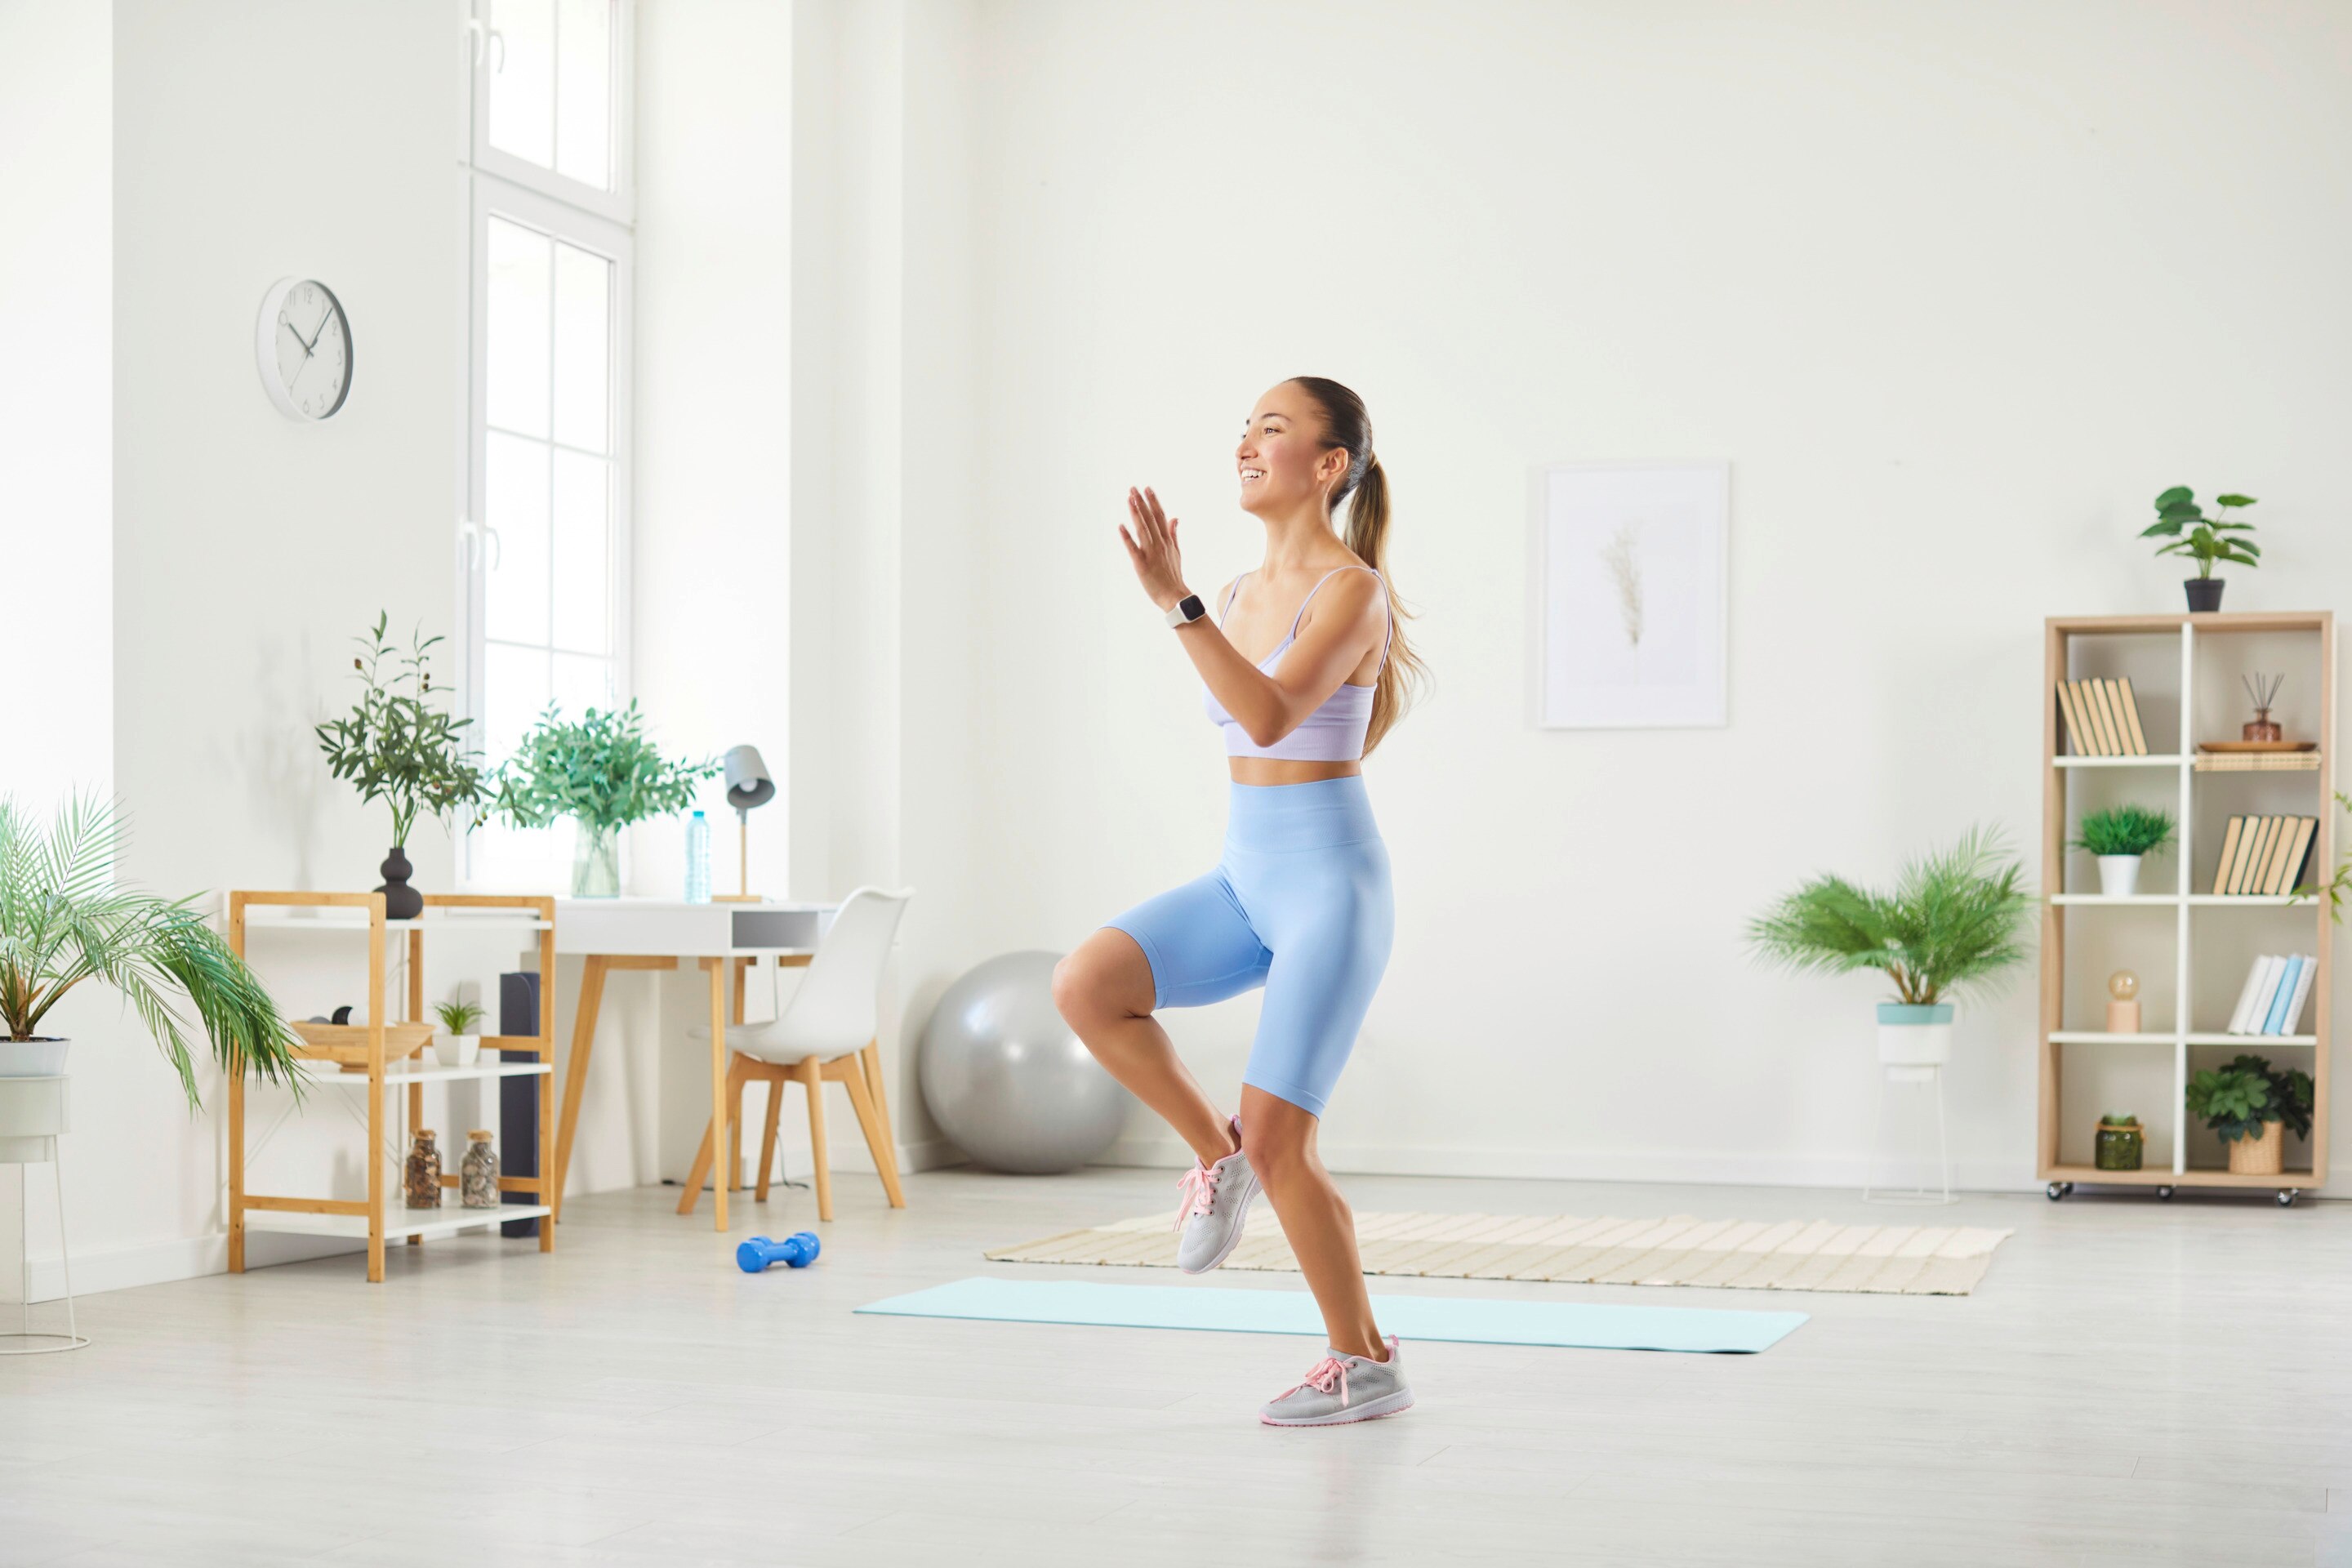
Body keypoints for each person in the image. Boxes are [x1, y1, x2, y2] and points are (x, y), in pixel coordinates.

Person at [1050, 376, 1423, 1427]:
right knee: (1088, 984)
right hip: (1242, 877)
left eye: (1272, 426)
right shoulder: (1237, 588)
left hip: (1330, 894)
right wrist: (1192, 599)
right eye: (1244, 428)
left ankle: (1366, 1361)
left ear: (1329, 464)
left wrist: (1176, 602)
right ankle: (1215, 1162)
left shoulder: (1351, 592)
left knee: (1284, 1143)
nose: (1247, 444)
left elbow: (1263, 716)